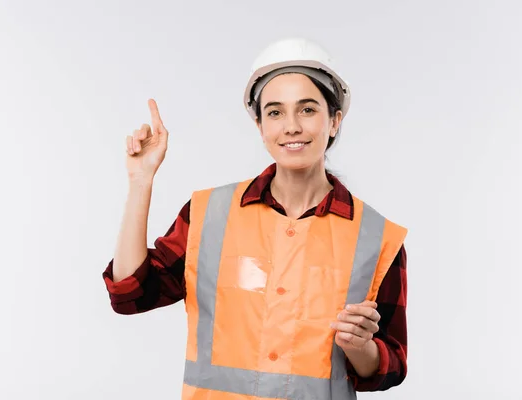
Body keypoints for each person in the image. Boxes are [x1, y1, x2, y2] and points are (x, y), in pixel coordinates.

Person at [102, 38, 408, 399]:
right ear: (261, 127)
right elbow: (130, 294)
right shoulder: (209, 215)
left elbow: (392, 366)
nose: (291, 126)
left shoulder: (376, 237)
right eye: (275, 112)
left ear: (334, 121)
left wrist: (360, 347)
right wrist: (141, 183)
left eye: (308, 110)